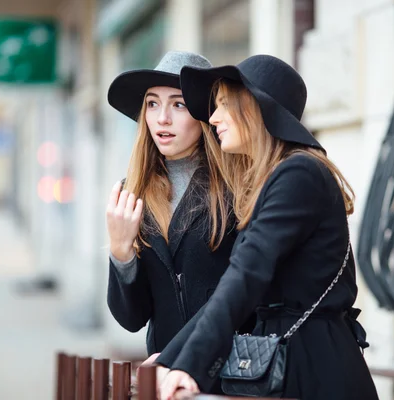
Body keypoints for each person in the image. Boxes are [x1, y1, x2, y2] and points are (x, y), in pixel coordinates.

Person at [155, 55, 379, 400]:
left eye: (223, 105)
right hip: (288, 362)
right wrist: (173, 358)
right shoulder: (275, 178)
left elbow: (247, 275)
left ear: (255, 107)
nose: (212, 118)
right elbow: (233, 284)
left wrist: (188, 365)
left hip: (315, 370)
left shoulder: (299, 174)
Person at [105, 51, 243, 388]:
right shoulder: (133, 192)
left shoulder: (236, 188)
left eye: (178, 104)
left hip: (231, 376)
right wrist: (121, 252)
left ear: (205, 114)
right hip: (166, 381)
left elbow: (245, 294)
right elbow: (133, 318)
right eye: (152, 104)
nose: (161, 118)